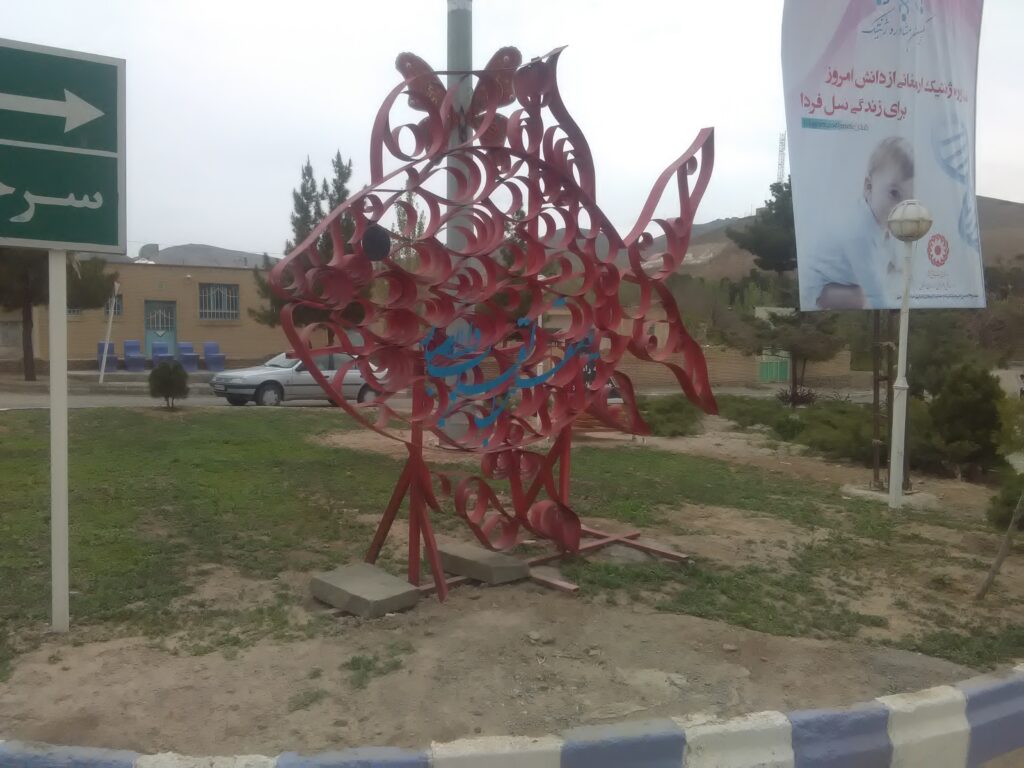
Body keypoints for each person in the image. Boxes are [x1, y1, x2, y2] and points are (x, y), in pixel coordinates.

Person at [803, 136, 915, 310]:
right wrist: (892, 309)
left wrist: (899, 264)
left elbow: (891, 248)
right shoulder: (859, 232)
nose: (901, 208)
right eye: (894, 194)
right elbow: (874, 289)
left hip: (846, 275)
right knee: (861, 297)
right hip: (822, 285)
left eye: (908, 201)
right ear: (868, 187)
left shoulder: (883, 217)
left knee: (887, 270)